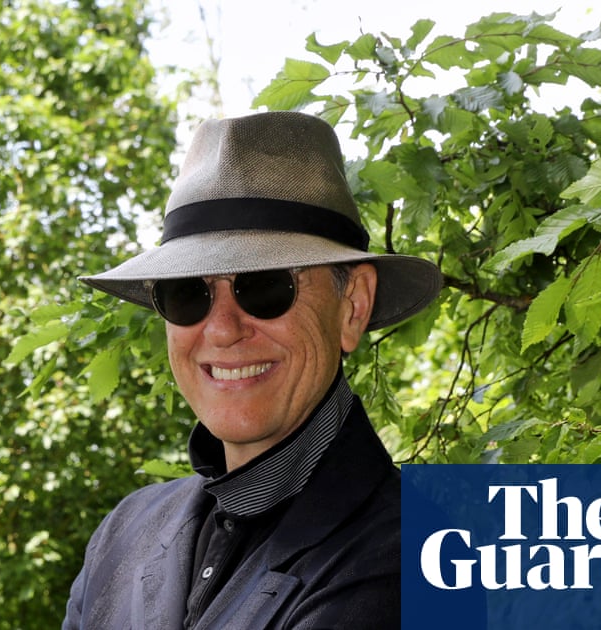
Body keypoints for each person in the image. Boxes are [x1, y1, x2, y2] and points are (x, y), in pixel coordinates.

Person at [63, 111, 442, 629]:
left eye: (264, 286)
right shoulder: (123, 535)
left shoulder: (426, 561)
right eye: (187, 292)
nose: (222, 330)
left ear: (352, 306)